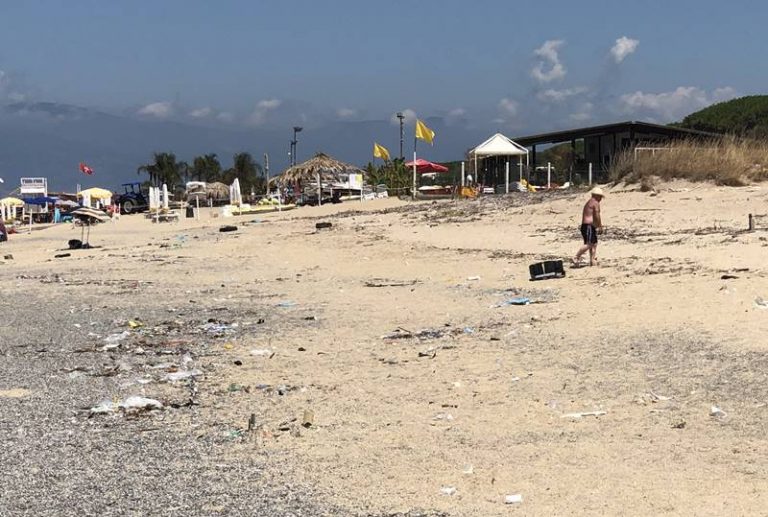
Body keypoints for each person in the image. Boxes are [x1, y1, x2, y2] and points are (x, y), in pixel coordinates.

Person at [573, 187, 605, 267]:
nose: (601, 199)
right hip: (588, 226)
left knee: (594, 243)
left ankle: (592, 260)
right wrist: (600, 226)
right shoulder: (595, 202)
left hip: (588, 226)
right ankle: (576, 257)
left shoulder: (589, 202)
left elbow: (593, 215)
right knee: (590, 243)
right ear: (596, 196)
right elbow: (597, 215)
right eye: (600, 197)